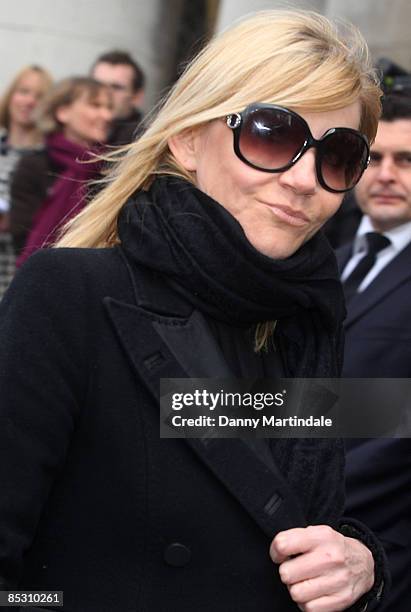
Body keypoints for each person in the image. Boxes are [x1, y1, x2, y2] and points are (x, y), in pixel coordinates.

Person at [0, 10, 388, 611]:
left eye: (339, 155)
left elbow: (297, 515)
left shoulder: (306, 319)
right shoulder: (69, 294)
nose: (304, 178)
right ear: (186, 139)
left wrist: (360, 562)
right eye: (271, 134)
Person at [337, 93, 411, 611]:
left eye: (406, 160)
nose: (385, 174)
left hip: (383, 547)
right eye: (374, 158)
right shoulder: (317, 258)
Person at [9, 77, 113, 264]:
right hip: (39, 273)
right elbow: (21, 235)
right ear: (63, 112)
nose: (106, 115)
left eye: (108, 108)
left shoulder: (110, 168)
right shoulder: (35, 165)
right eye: (95, 105)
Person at [0, 65, 52, 298]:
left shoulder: (50, 159)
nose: (29, 101)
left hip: (13, 273)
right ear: (11, 95)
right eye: (23, 91)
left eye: (39, 96)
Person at [91, 49, 145, 145]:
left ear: (136, 97)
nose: (105, 93)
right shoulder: (68, 134)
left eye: (116, 87)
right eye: (98, 85)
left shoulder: (143, 145)